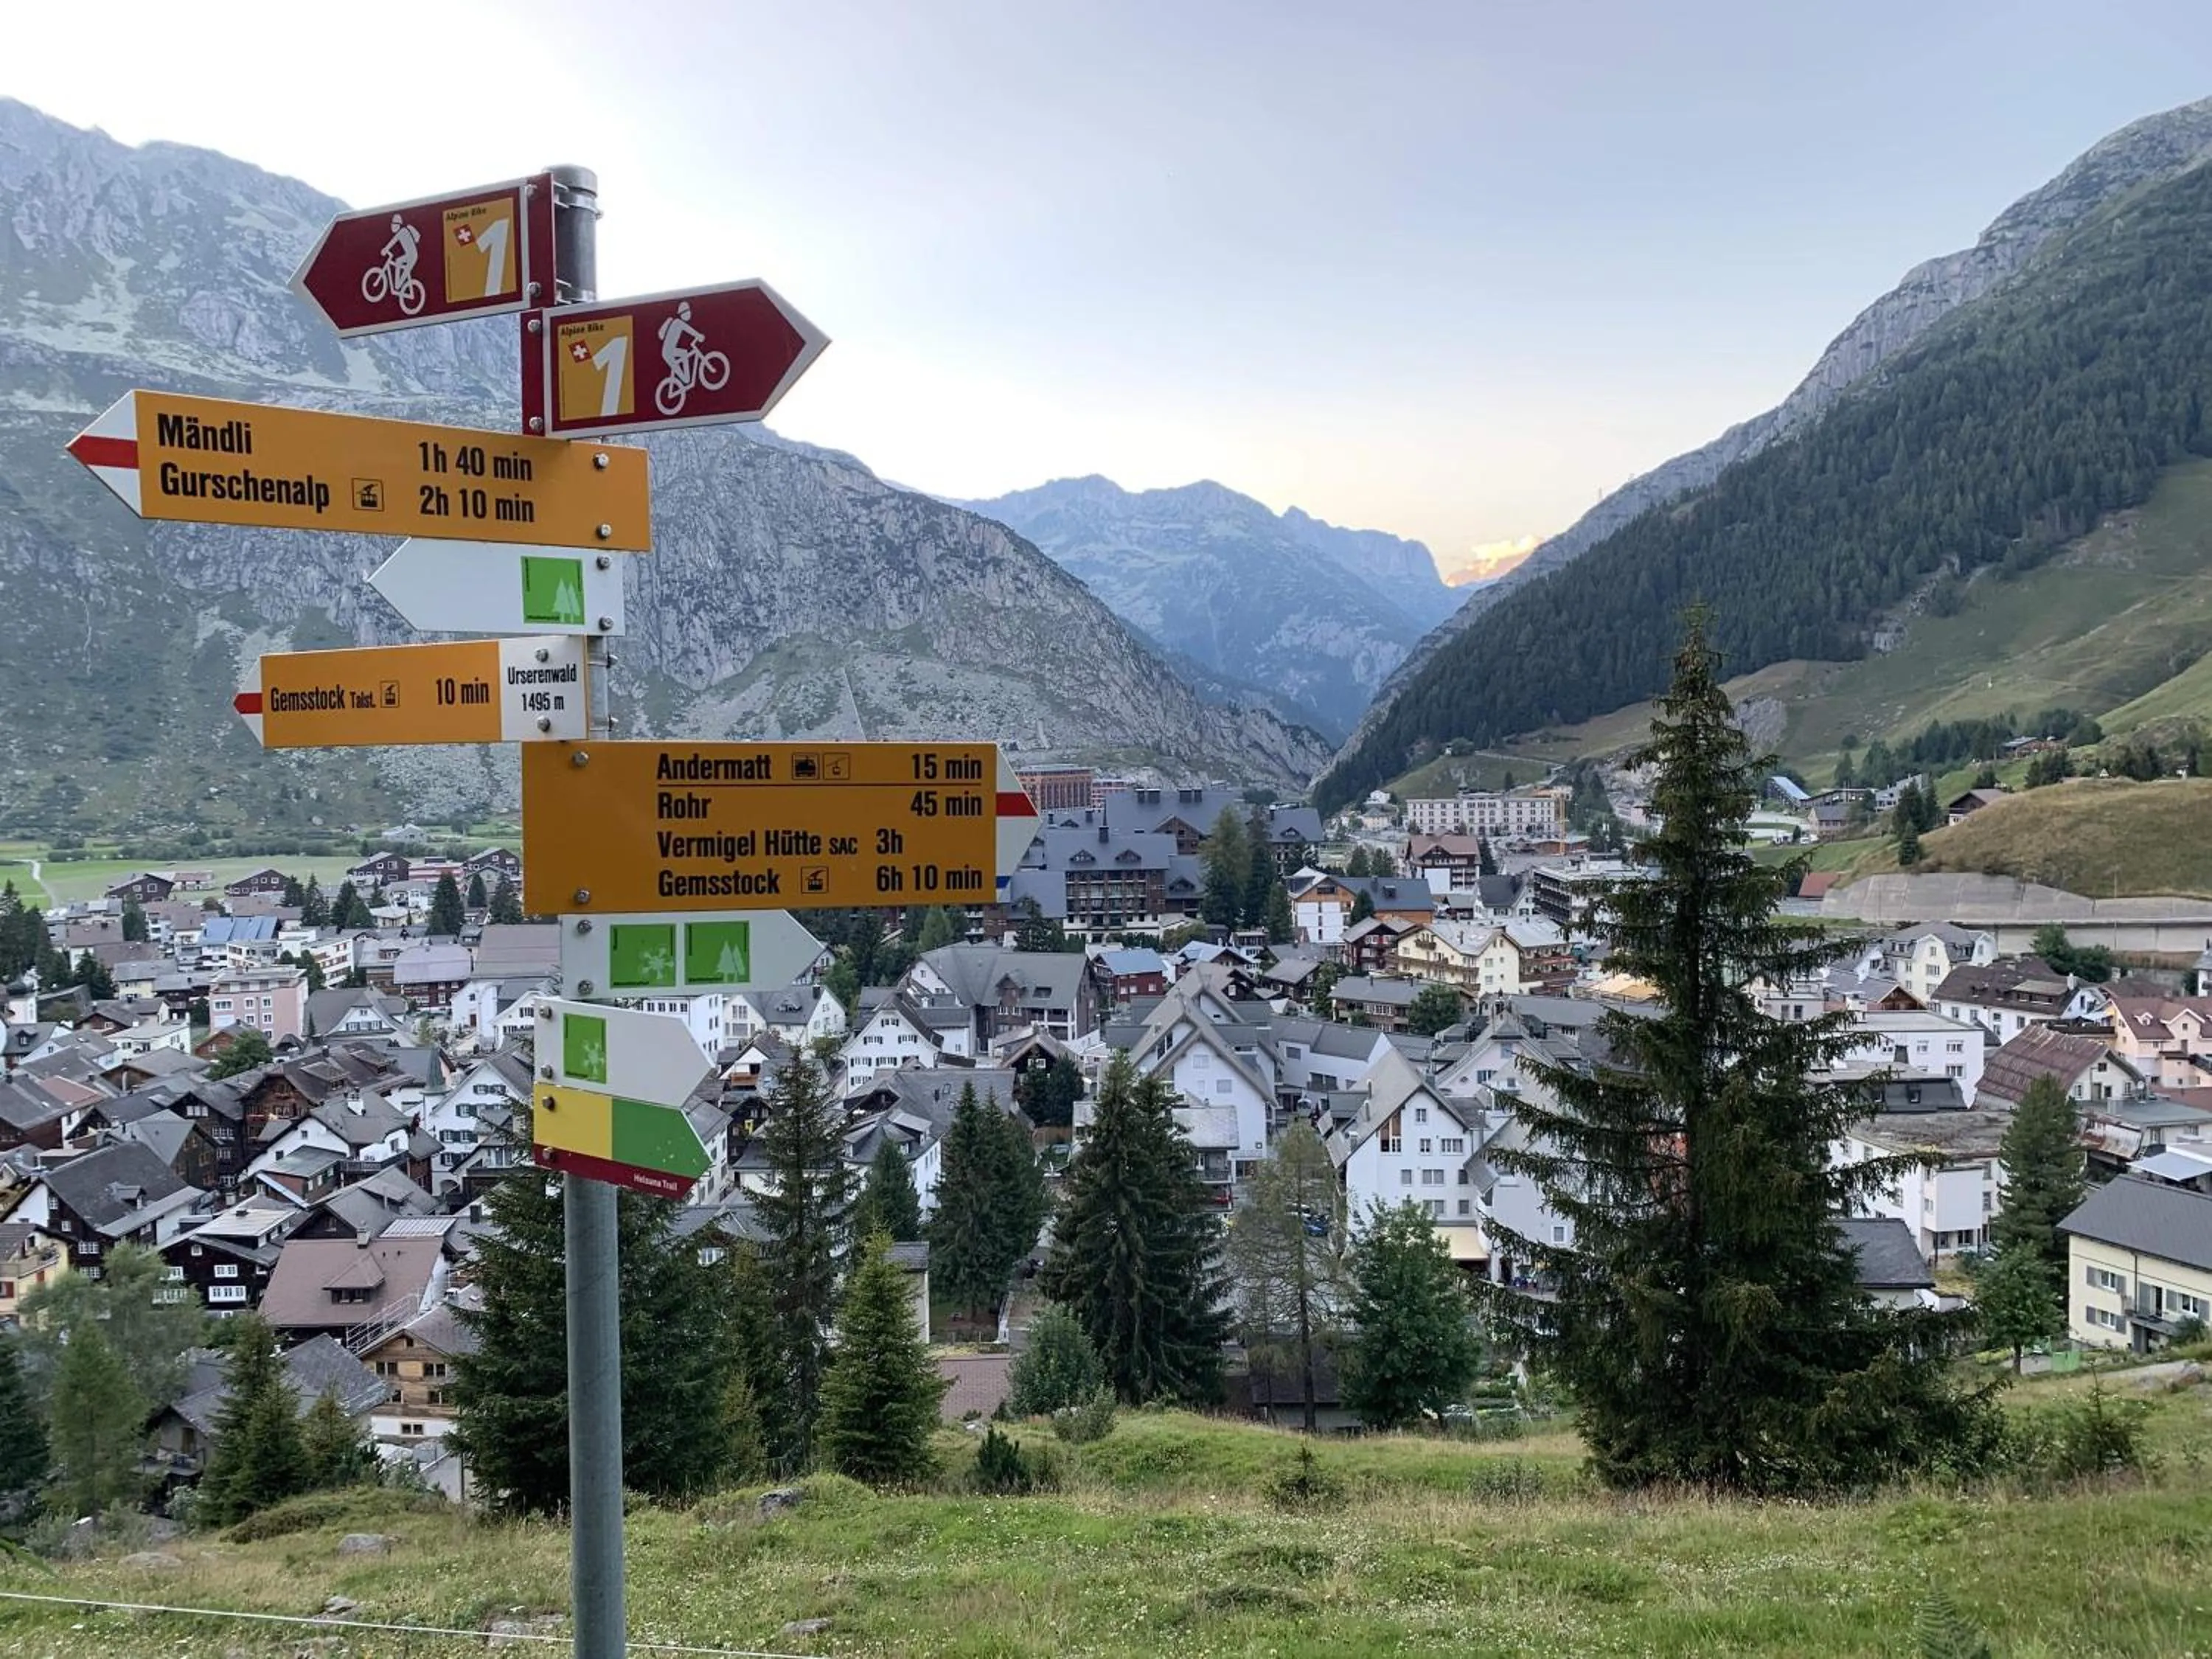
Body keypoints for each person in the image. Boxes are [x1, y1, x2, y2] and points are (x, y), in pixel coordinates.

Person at [658, 299, 705, 388]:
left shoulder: (677, 323)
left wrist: (697, 336)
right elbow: (688, 329)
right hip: (668, 353)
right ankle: (685, 379)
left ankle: (687, 378)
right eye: (688, 312)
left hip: (671, 350)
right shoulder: (678, 323)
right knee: (685, 378)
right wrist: (698, 335)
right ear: (683, 313)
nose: (690, 314)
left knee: (684, 353)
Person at [380, 213, 420, 288]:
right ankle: (398, 284)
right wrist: (386, 249)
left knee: (399, 262)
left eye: (393, 224)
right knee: (398, 261)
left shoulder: (402, 232)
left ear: (398, 225)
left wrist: (386, 249)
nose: (392, 226)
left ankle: (399, 284)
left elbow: (393, 241)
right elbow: (393, 241)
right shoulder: (402, 231)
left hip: (412, 256)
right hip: (410, 255)